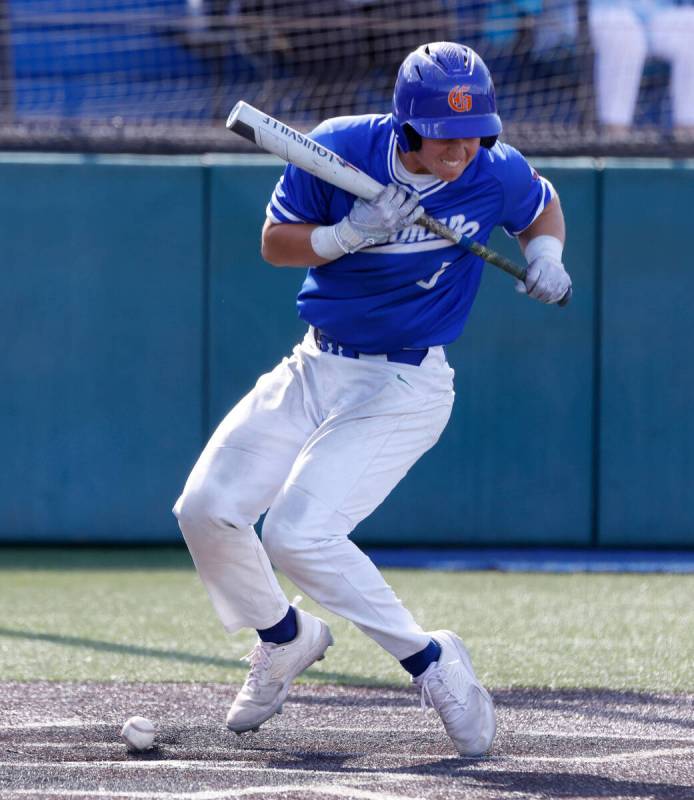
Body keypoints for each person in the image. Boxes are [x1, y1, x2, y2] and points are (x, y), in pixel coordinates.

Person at [173, 41, 571, 757]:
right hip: (315, 363)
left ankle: (430, 661)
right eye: (445, 136)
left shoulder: (494, 168)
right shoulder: (340, 148)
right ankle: (284, 637)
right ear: (408, 124)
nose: (461, 150)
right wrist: (346, 234)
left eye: (474, 132)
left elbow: (542, 206)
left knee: (296, 534)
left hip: (405, 383)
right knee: (206, 510)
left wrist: (547, 257)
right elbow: (275, 242)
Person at [589, 0, 694, 139]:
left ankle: (687, 136)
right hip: (599, 11)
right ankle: (614, 136)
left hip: (656, 12)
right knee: (624, 32)